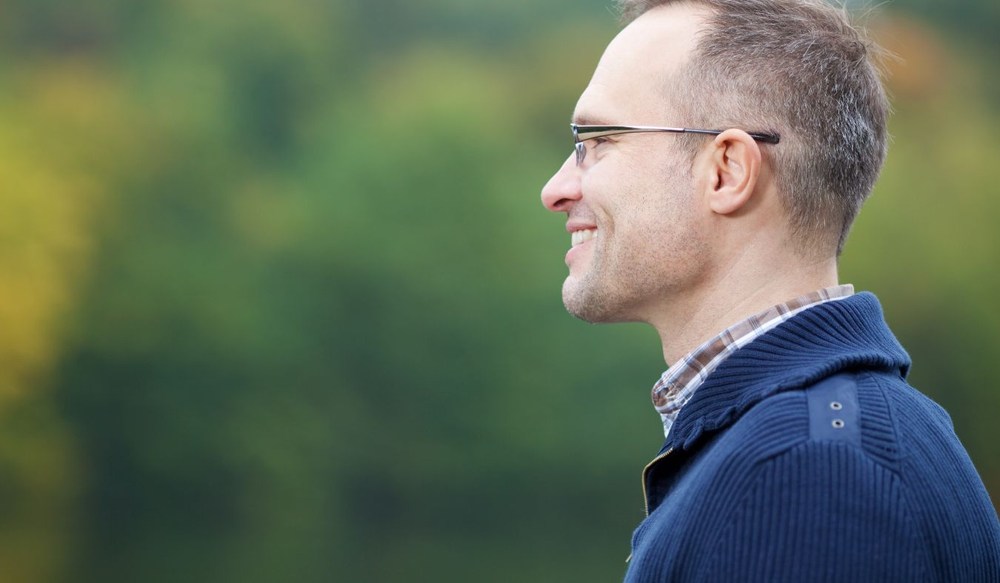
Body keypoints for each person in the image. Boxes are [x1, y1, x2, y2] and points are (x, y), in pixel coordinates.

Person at [540, 0, 1000, 580]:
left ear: (727, 169)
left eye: (599, 140)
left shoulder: (807, 471)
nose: (556, 188)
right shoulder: (842, 437)